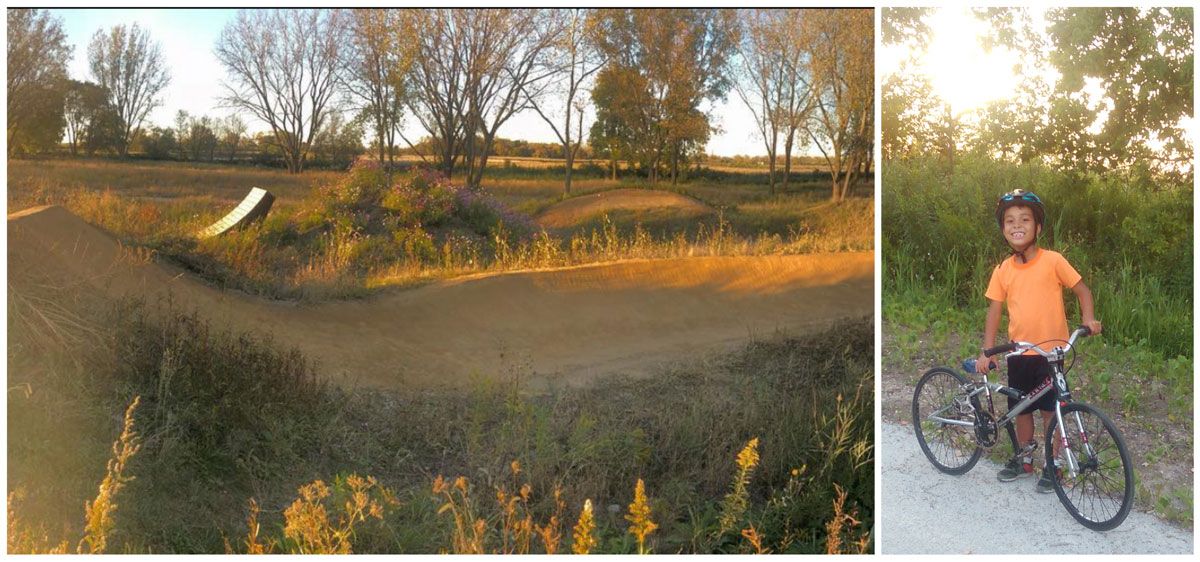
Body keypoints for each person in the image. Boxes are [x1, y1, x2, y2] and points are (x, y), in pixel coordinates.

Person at [974, 189, 1103, 493]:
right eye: (1010, 221)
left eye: (1024, 219)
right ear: (1003, 228)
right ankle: (1024, 457)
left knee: (1051, 411)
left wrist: (1088, 319)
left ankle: (1053, 462)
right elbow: (994, 311)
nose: (1016, 225)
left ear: (1038, 228)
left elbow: (1083, 290)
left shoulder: (1053, 261)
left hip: (1052, 354)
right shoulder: (1003, 270)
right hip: (1019, 353)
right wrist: (987, 350)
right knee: (1021, 410)